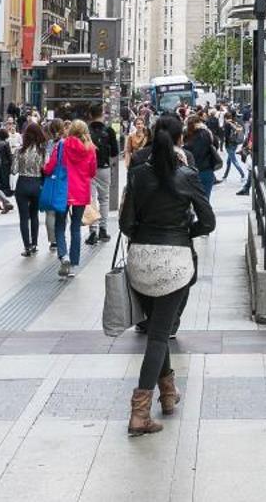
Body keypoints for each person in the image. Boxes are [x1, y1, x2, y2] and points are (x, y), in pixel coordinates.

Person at [122, 115, 217, 435]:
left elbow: (125, 224)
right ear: (180, 140)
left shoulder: (136, 175)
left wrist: (144, 233)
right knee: (160, 335)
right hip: (174, 261)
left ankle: (168, 393)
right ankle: (139, 413)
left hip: (140, 260)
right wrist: (185, 231)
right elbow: (208, 221)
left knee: (156, 332)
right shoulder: (188, 176)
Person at [47, 119, 96, 276]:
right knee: (76, 226)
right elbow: (92, 171)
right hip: (81, 191)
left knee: (60, 225)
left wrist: (45, 172)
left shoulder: (62, 144)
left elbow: (51, 165)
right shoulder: (90, 148)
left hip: (64, 190)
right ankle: (74, 262)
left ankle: (64, 255)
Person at [13, 119, 47, 256]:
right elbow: (46, 168)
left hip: (22, 183)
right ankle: (34, 244)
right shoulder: (42, 152)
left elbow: (14, 170)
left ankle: (26, 246)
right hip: (37, 184)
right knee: (34, 216)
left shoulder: (19, 151)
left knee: (23, 217)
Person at [88, 112, 118, 244]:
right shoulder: (109, 131)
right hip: (104, 168)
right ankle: (103, 229)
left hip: (89, 170)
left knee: (91, 200)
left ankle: (92, 231)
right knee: (104, 199)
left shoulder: (86, 131)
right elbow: (115, 152)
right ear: (102, 115)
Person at [185, 111, 220, 199]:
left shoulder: (185, 135)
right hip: (207, 170)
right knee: (205, 200)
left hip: (190, 172)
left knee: (192, 201)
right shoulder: (207, 133)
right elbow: (216, 145)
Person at [220, 113, 245, 181]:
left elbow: (226, 136)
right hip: (235, 143)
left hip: (229, 144)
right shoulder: (234, 122)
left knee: (234, 161)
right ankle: (225, 175)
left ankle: (242, 174)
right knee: (229, 161)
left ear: (225, 118)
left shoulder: (227, 124)